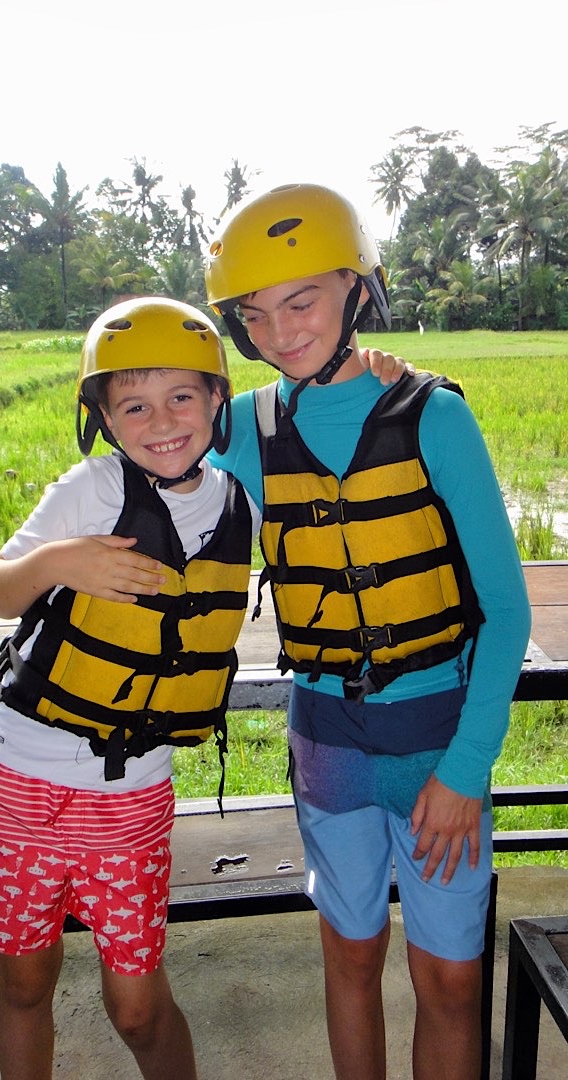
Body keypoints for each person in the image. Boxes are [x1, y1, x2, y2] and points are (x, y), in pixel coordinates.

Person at [203, 183, 531, 1080]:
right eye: (255, 316)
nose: (280, 333)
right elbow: (137, 436)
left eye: (301, 300)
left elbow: (508, 614)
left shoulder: (435, 417)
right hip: (326, 740)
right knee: (348, 957)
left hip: (436, 742)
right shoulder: (240, 429)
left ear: (357, 290)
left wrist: (465, 773)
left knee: (450, 981)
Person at [0, 296, 262, 1080]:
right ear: (106, 419)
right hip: (23, 776)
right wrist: (59, 563)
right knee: (24, 981)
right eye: (134, 405)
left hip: (133, 792)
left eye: (182, 396)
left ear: (218, 398)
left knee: (138, 1006)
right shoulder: (91, 487)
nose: (162, 420)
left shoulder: (236, 503)